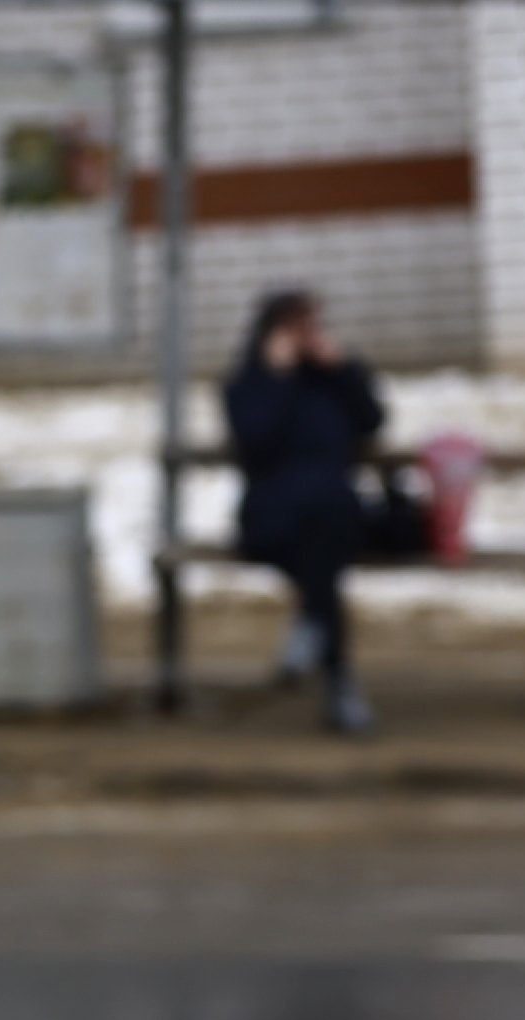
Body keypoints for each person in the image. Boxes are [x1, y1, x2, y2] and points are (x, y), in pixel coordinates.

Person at [224, 288, 387, 734]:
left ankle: (321, 644)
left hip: (333, 513)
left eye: (311, 327)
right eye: (294, 328)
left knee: (324, 542)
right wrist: (276, 376)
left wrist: (343, 369)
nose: (304, 338)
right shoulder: (250, 384)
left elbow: (373, 420)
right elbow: (253, 441)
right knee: (323, 562)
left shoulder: (333, 382)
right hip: (272, 516)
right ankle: (337, 676)